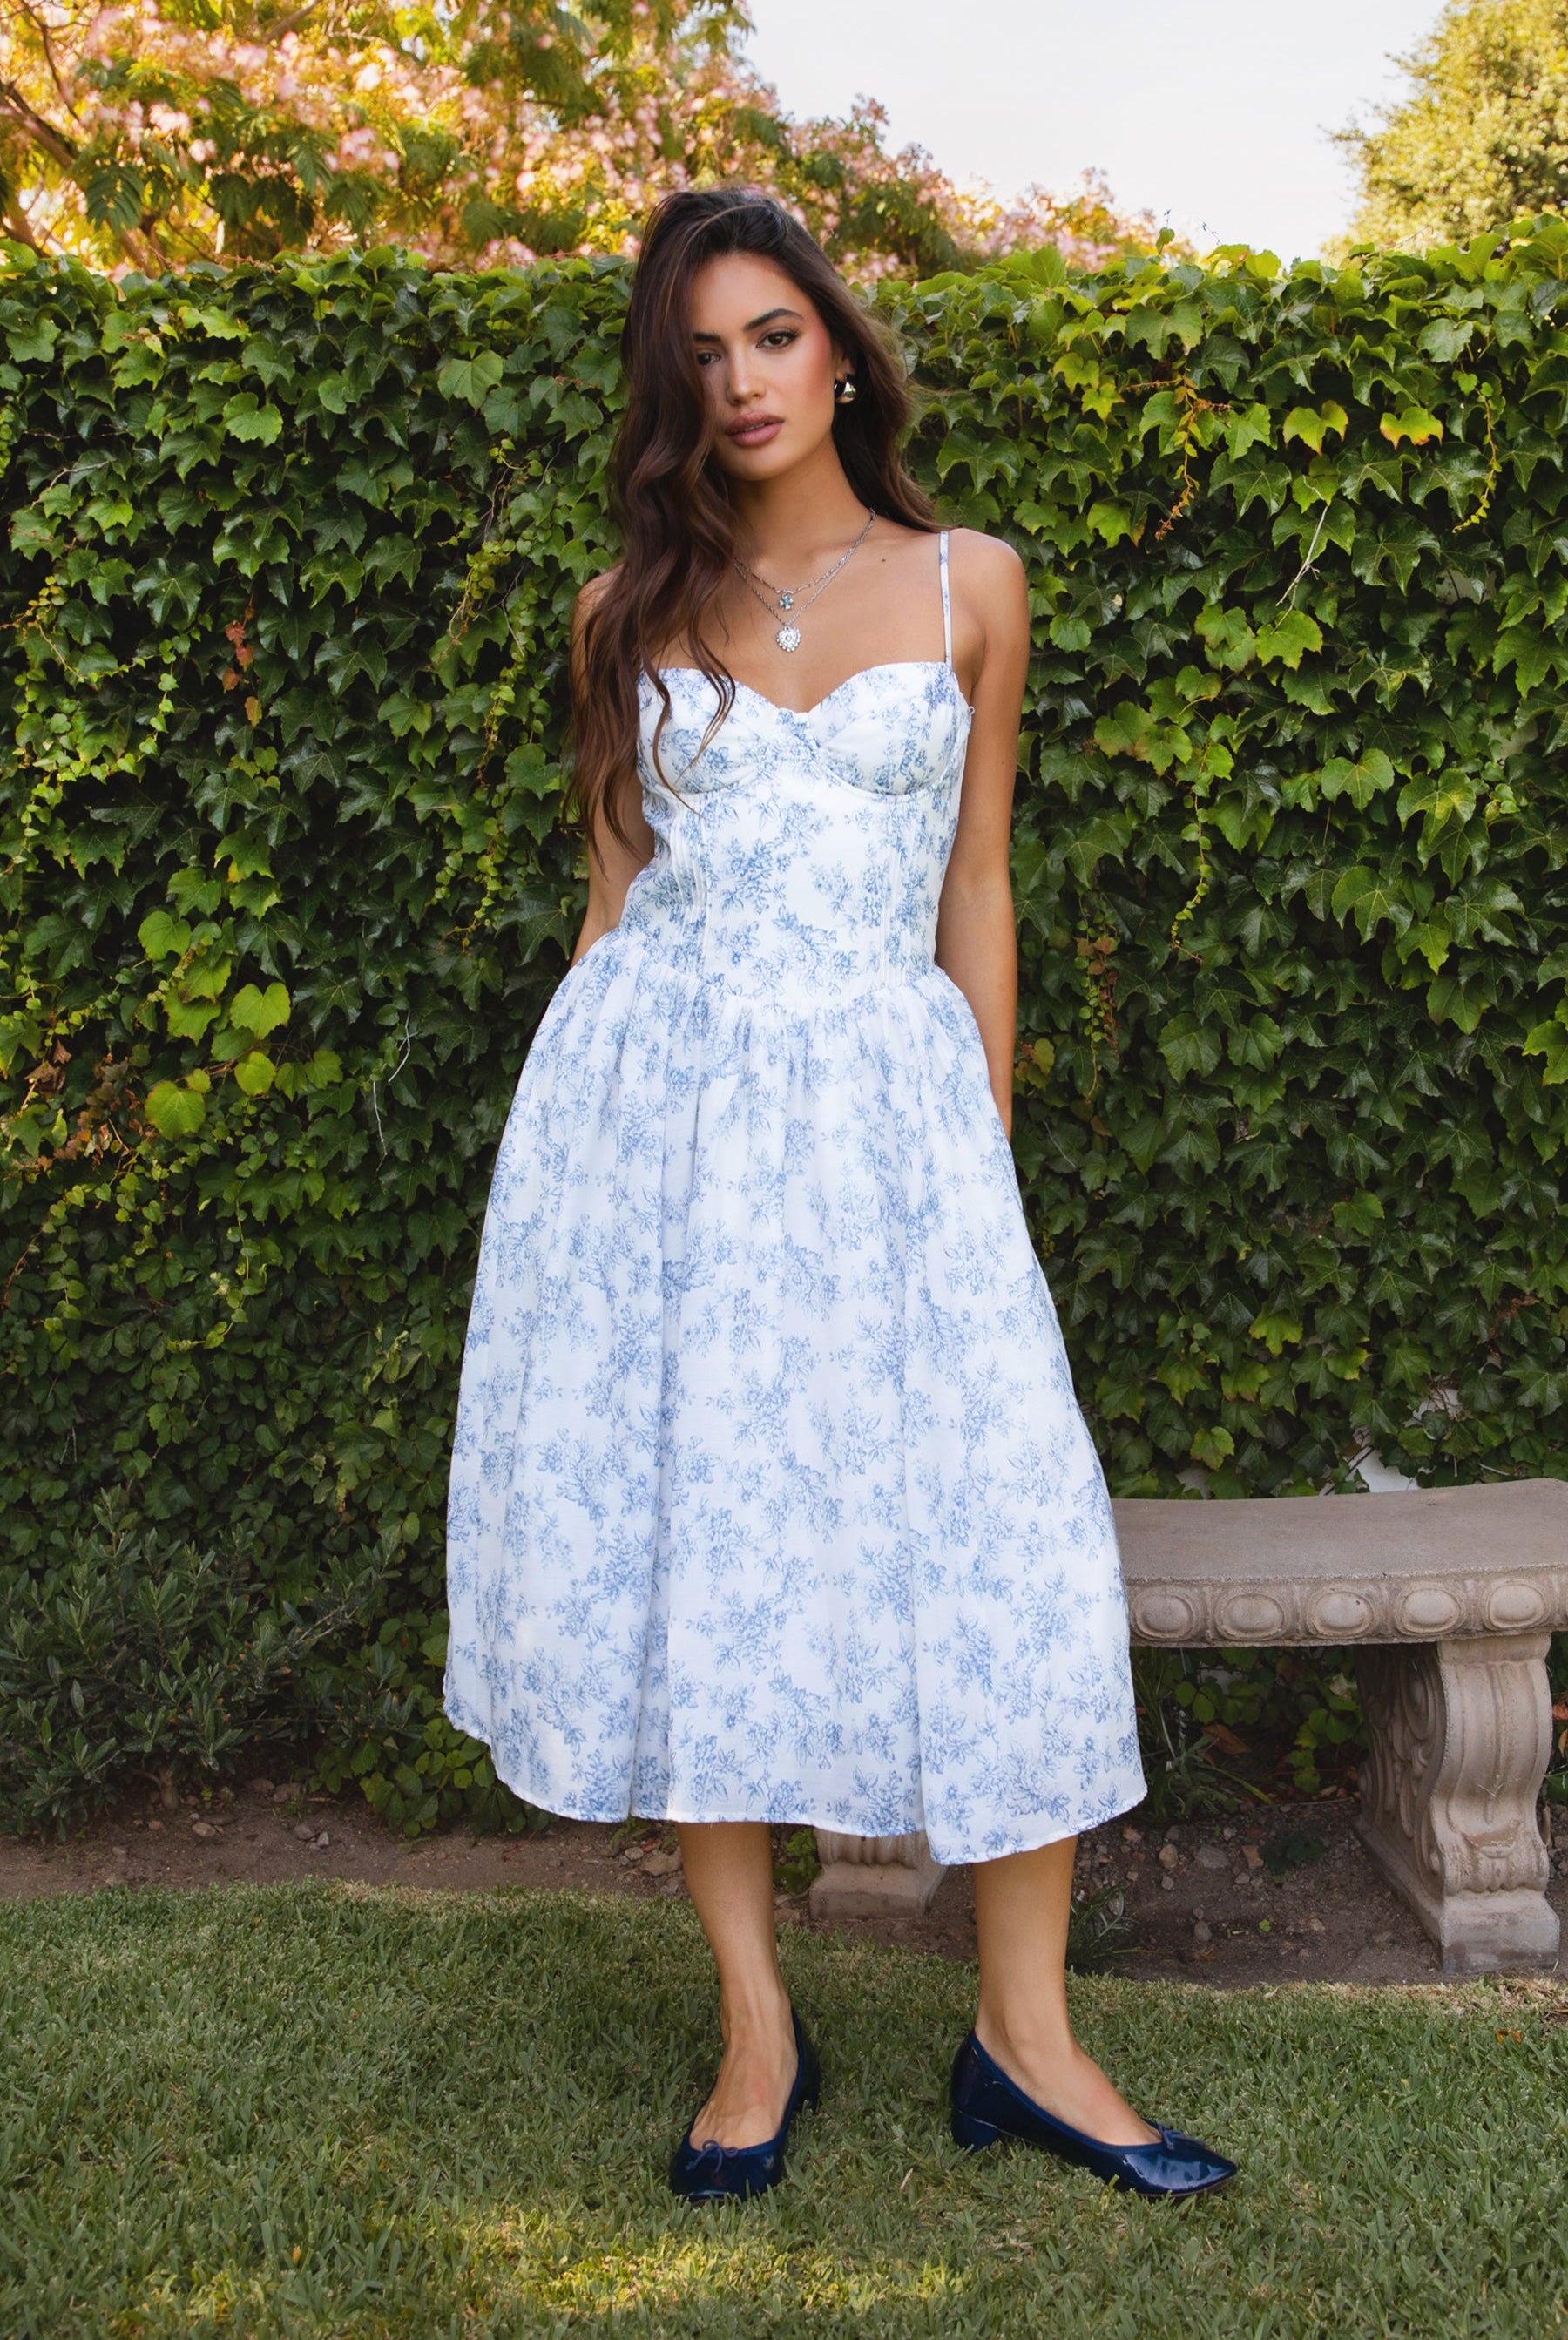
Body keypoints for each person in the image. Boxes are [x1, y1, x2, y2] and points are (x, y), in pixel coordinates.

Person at [444, 185, 1235, 2206]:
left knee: (1007, 1536)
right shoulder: (625, 614)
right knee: (702, 1544)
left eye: (772, 335)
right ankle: (754, 2018)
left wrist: (973, 1145)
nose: (742, 380)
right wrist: (570, 1198)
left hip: (890, 1124)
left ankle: (1028, 2038)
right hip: (662, 1128)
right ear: (673, 390)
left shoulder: (975, 580)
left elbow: (978, 887)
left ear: (840, 341)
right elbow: (614, 902)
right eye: (702, 353)